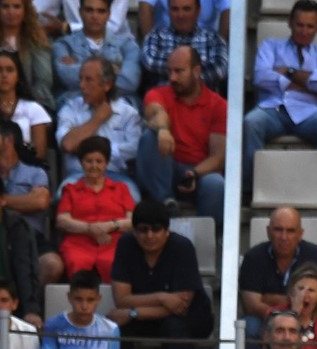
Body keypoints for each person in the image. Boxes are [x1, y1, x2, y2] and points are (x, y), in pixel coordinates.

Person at [242, 0, 317, 191]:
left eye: (310, 26)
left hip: (310, 113)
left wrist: (288, 72)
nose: (304, 31)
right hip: (274, 109)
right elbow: (261, 77)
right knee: (251, 122)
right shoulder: (270, 46)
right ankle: (250, 190)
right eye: (300, 25)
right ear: (290, 22)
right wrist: (308, 82)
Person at [109, 198, 212, 349]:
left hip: (190, 317)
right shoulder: (126, 244)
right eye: (143, 230)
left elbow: (180, 306)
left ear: (166, 231)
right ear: (134, 231)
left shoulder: (182, 247)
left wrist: (134, 313)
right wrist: (161, 297)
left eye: (156, 229)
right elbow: (121, 300)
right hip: (147, 317)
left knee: (174, 326)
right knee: (118, 326)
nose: (149, 235)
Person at [136, 44, 226, 224]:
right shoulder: (158, 93)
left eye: (179, 71)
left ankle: (208, 235)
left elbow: (218, 157)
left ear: (196, 71)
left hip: (198, 171)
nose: (172, 78)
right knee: (150, 138)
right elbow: (156, 112)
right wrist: (163, 130)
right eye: (170, 71)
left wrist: (194, 173)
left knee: (216, 183)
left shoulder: (218, 105)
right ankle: (165, 205)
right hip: (164, 168)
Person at [0, 118, 59, 286]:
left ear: (8, 140)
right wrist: (23, 202)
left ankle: (27, 300)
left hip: (30, 235)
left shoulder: (35, 173)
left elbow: (40, 202)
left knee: (52, 265)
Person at [238, 205, 317, 349]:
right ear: (268, 232)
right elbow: (251, 306)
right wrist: (290, 309)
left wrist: (272, 300)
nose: (284, 237)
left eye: (290, 231)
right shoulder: (254, 257)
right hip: (267, 320)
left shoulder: (314, 255)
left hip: (309, 318)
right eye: (278, 230)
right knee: (250, 326)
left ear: (300, 234)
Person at [56, 55, 140, 192]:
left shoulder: (128, 113)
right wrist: (97, 119)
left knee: (132, 196)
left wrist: (88, 150)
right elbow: (68, 144)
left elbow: (133, 150)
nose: (81, 86)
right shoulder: (70, 109)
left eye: (88, 80)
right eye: (81, 79)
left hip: (117, 177)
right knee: (63, 193)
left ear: (107, 85)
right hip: (78, 176)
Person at [55, 135, 134, 281]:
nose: (94, 166)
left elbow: (133, 220)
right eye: (89, 161)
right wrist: (90, 228)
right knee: (76, 261)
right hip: (79, 242)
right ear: (81, 163)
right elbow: (62, 220)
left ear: (106, 163)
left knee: (114, 263)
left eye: (99, 161)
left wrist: (110, 226)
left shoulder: (121, 188)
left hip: (113, 242)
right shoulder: (71, 189)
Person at [0, 169, 42, 325]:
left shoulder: (17, 228)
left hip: (9, 312)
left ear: (3, 199)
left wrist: (31, 311)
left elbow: (26, 273)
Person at [52, 0, 141, 104]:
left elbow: (129, 82)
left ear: (109, 14)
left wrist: (81, 67)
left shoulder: (128, 45)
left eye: (101, 11)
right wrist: (111, 69)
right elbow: (68, 78)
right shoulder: (64, 45)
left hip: (118, 105)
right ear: (80, 12)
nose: (95, 16)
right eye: (89, 10)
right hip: (77, 105)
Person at [0, 0, 52, 110]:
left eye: (16, 7)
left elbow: (43, 81)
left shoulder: (37, 40)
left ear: (25, 10)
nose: (11, 12)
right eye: (5, 6)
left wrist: (20, 107)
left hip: (34, 104)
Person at [140, 0, 227, 92]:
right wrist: (191, 72)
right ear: (169, 11)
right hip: (162, 98)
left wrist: (177, 71)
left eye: (186, 9)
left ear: (198, 11)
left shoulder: (213, 39)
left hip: (203, 99)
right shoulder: (156, 37)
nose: (180, 15)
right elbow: (149, 61)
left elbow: (220, 69)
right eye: (175, 9)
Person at [0, 49, 50, 158]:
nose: (4, 75)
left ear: (18, 76)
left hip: (27, 165)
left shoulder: (34, 109)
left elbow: (39, 154)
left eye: (10, 70)